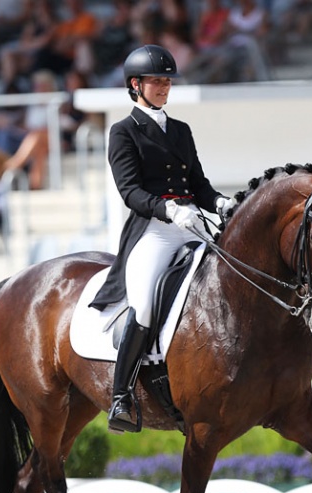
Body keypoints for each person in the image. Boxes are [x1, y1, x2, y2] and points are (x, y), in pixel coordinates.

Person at [89, 44, 234, 432]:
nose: (164, 87)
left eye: (167, 81)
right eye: (156, 81)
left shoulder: (181, 130)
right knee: (145, 305)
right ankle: (121, 397)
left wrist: (220, 203)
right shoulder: (124, 132)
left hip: (191, 225)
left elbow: (198, 184)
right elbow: (130, 191)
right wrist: (169, 209)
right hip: (153, 232)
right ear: (135, 85)